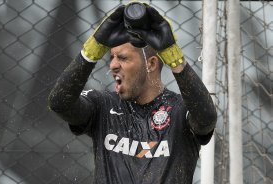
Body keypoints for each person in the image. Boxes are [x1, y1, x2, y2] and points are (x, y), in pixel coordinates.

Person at [48, 3, 217, 184]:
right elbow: (59, 103)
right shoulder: (103, 105)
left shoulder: (179, 110)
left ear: (151, 64)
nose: (112, 65)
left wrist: (175, 59)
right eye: (111, 57)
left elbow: (206, 119)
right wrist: (92, 50)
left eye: (122, 58)